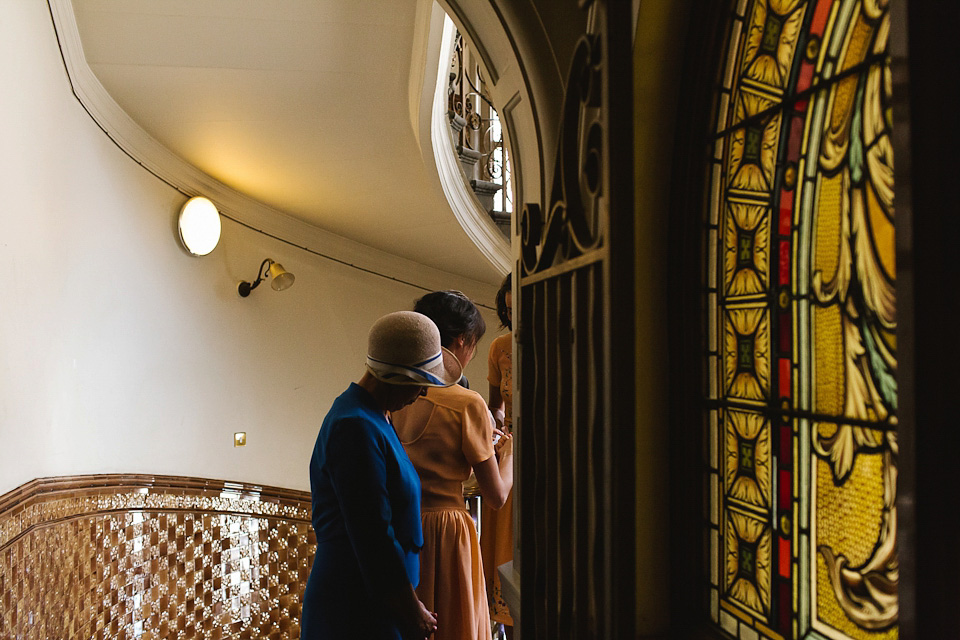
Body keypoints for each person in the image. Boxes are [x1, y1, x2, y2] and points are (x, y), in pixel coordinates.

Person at [301, 310, 461, 639]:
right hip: (355, 604)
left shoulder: (377, 416)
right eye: (421, 384)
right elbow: (372, 535)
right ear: (396, 377)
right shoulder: (355, 425)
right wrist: (409, 607)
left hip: (380, 598)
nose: (421, 395)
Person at [391, 291, 514, 640]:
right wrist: (512, 453)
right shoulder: (467, 403)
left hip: (404, 525)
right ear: (462, 341)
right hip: (449, 528)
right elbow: (496, 495)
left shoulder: (395, 396)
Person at [480, 274, 514, 636]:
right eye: (508, 310)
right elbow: (497, 408)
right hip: (511, 456)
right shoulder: (499, 347)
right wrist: (495, 431)